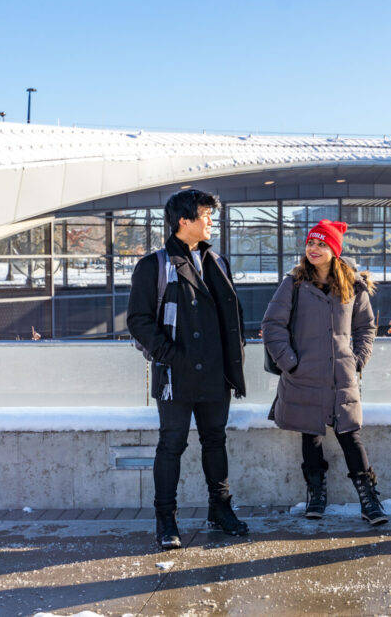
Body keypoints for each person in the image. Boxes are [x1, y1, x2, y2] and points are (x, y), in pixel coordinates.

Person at [126, 189, 249, 550]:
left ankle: (220, 510)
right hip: (175, 375)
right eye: (206, 214)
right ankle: (166, 519)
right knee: (172, 444)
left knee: (215, 441)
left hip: (215, 373)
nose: (212, 221)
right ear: (185, 220)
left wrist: (234, 360)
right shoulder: (154, 265)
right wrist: (171, 355)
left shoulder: (218, 263)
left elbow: (232, 318)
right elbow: (138, 320)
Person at [261, 219, 386, 525]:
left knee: (350, 435)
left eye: (321, 244)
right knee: (311, 436)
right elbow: (271, 324)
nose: (313, 249)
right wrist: (290, 362)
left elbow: (365, 327)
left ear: (334, 249)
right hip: (304, 375)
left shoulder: (353, 285)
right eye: (310, 243)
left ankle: (368, 496)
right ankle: (316, 493)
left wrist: (358, 359)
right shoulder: (293, 283)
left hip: (341, 375)